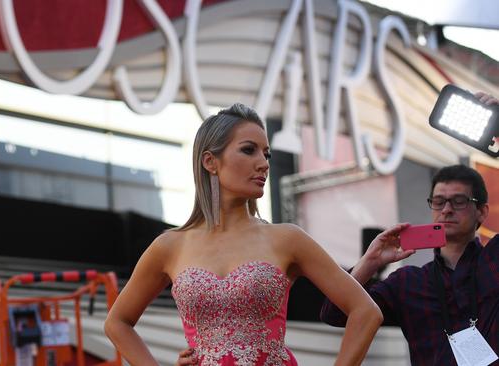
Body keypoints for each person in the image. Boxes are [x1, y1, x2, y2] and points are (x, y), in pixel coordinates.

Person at [105, 103, 383, 365]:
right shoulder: (170, 246)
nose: (264, 163)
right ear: (210, 161)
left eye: (267, 153)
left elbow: (365, 312)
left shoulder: (287, 239)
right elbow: (117, 323)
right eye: (249, 150)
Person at [320, 164, 499, 365]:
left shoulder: (494, 259)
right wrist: (370, 261)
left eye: (459, 201)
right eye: (439, 202)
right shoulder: (408, 282)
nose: (447, 210)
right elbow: (335, 314)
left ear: (482, 212)